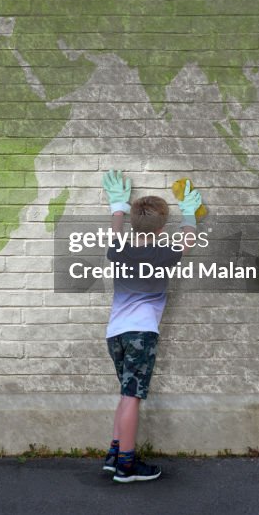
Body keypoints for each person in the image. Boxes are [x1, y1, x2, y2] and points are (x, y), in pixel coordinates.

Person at [99, 170, 203, 483]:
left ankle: (115, 454)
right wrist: (189, 211)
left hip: (115, 334)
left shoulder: (118, 250)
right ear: (161, 228)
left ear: (133, 223)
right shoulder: (164, 251)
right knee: (132, 396)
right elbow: (188, 240)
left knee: (125, 393)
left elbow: (116, 230)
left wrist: (118, 204)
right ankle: (127, 466)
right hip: (141, 334)